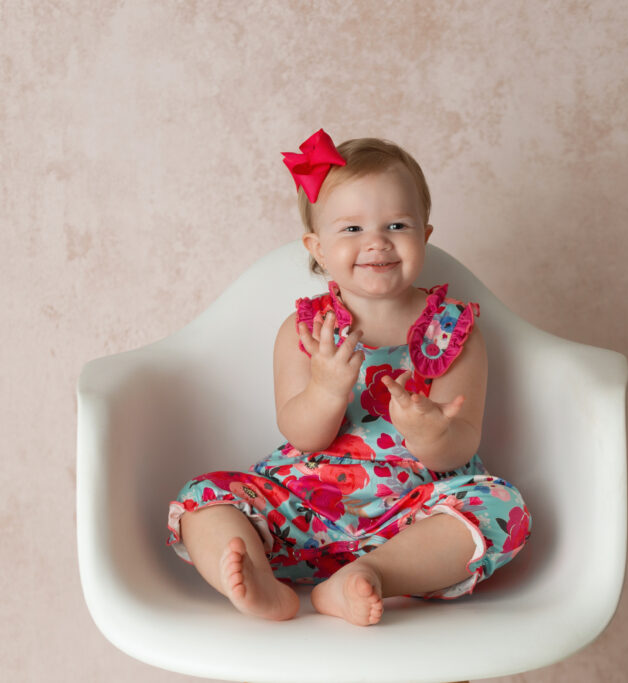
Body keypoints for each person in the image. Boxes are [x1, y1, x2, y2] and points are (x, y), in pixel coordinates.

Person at [166, 129, 531, 626]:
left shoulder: (455, 331)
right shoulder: (305, 330)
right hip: (305, 509)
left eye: (396, 224)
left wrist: (431, 431)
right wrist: (325, 389)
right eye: (352, 229)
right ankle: (255, 577)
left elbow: (460, 447)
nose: (377, 242)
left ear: (424, 235)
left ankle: (370, 575)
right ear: (317, 247)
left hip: (411, 515)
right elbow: (300, 433)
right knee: (202, 499)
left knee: (502, 507)